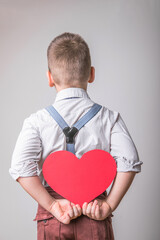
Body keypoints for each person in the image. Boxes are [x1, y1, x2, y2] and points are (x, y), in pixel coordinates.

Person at [9, 32, 143, 240]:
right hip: (94, 214)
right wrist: (108, 205)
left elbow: (19, 167)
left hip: (53, 218)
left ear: (50, 78)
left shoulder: (36, 121)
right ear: (91, 74)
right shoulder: (110, 118)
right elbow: (130, 162)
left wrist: (52, 205)